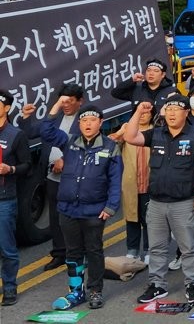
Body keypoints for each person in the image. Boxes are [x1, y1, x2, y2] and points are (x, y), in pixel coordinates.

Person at [123, 96, 194, 305]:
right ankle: (157, 285)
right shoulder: (156, 133)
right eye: (168, 109)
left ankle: (192, 284)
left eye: (177, 109)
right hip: (156, 202)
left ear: (186, 113)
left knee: (189, 246)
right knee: (156, 247)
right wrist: (138, 111)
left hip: (184, 201)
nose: (172, 113)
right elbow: (130, 137)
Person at [38, 99, 122, 310]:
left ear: (100, 123)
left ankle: (95, 290)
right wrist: (56, 107)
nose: (87, 124)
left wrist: (111, 206)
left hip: (94, 211)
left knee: (94, 250)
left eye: (92, 120)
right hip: (68, 209)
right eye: (84, 120)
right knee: (73, 252)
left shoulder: (110, 147)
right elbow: (46, 132)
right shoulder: (70, 142)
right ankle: (75, 291)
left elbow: (115, 180)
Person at [17, 84, 85, 271]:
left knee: (75, 216)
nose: (66, 105)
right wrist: (26, 116)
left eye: (70, 101)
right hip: (51, 176)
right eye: (63, 101)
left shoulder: (85, 120)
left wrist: (65, 159)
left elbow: (83, 145)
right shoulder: (55, 119)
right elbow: (30, 133)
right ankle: (59, 253)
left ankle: (78, 253)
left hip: (74, 177)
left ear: (80, 101)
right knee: (55, 217)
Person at [108, 102, 153, 263]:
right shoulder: (128, 133)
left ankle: (149, 250)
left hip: (150, 183)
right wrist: (121, 131)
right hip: (130, 183)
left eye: (147, 112)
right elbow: (108, 145)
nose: (143, 115)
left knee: (150, 219)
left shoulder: (155, 131)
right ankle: (132, 250)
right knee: (131, 217)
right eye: (140, 112)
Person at [0, 90, 32, 306]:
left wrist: (9, 169)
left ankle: (9, 287)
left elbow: (27, 166)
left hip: (4, 199)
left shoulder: (15, 134)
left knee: (7, 248)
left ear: (6, 108)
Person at [110, 59, 177, 109]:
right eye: (148, 70)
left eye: (156, 71)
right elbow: (115, 93)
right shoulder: (137, 90)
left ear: (163, 75)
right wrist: (132, 80)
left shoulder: (171, 92)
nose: (151, 73)